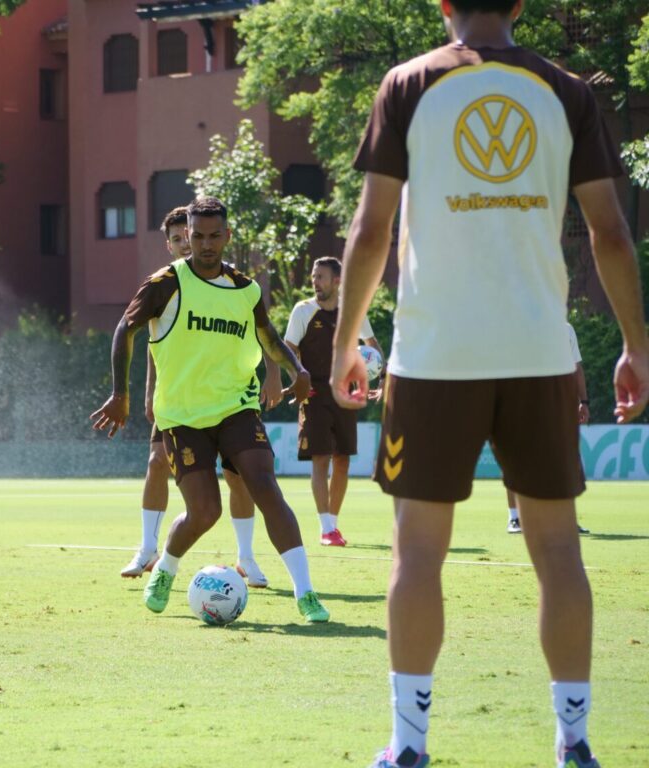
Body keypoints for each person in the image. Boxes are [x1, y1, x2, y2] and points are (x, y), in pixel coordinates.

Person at [329, 1, 648, 766]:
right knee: (559, 550)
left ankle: (409, 747)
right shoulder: (567, 90)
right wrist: (637, 344)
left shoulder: (407, 84)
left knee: (417, 556)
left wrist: (346, 342)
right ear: (520, 5)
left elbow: (371, 231)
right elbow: (609, 231)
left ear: (443, 5)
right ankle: (574, 740)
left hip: (435, 356)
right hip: (540, 350)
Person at [91, 196, 330, 623]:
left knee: (264, 485)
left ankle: (306, 593)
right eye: (197, 236)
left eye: (213, 236)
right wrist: (121, 393)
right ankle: (165, 567)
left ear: (227, 236)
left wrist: (297, 369)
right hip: (182, 417)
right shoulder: (165, 282)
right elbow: (125, 329)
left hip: (236, 407)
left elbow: (268, 335)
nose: (204, 244)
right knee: (206, 511)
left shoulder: (245, 289)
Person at [121, 207, 279, 588]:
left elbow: (262, 333)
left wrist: (274, 373)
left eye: (185, 237)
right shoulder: (165, 284)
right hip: (177, 402)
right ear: (174, 243)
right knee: (157, 462)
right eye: (177, 239)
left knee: (237, 476)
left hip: (227, 400)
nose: (184, 244)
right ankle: (147, 549)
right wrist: (147, 391)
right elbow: (153, 344)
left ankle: (246, 557)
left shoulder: (233, 284)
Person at [283, 256, 383, 547]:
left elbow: (372, 347)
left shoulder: (352, 310)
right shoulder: (303, 311)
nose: (315, 281)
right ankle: (325, 527)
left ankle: (334, 526)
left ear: (337, 281)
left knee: (342, 461)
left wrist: (378, 377)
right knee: (321, 459)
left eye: (321, 277)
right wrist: (299, 379)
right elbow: (287, 349)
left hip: (345, 392)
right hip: (313, 393)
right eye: (314, 276)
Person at [508, 322, 590, 534]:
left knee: (564, 462)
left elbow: (576, 367)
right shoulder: (518, 325)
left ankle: (566, 519)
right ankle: (515, 518)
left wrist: (584, 401)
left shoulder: (566, 328)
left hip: (560, 404)